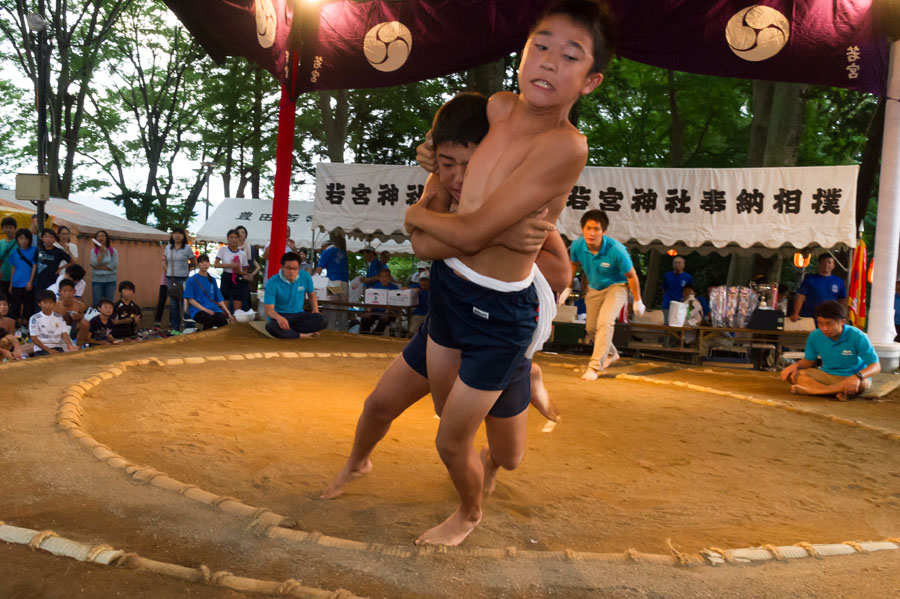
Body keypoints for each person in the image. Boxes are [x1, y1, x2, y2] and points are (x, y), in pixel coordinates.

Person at [400, 2, 613, 545]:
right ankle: (524, 376)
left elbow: (463, 233)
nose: (548, 63)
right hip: (452, 287)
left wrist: (416, 218)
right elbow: (448, 201)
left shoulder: (566, 145)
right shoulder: (494, 107)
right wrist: (431, 170)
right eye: (540, 46)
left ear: (590, 81)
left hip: (502, 309)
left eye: (570, 56)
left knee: (500, 456)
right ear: (521, 52)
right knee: (449, 422)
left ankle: (468, 513)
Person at [323, 91, 565, 507]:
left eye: (468, 166)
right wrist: (477, 234)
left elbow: (560, 272)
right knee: (380, 404)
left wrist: (476, 232)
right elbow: (420, 244)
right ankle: (357, 461)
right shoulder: (440, 183)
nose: (456, 177)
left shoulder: (519, 198)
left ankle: (525, 378)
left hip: (502, 332)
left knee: (509, 457)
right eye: (447, 164)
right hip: (450, 319)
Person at [570, 210, 644, 380]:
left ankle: (595, 367)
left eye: (596, 229)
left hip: (617, 286)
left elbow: (632, 276)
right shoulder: (577, 246)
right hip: (595, 288)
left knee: (605, 322)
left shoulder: (616, 250)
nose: (592, 233)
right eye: (588, 228)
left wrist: (638, 300)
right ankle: (612, 353)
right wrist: (568, 287)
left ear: (604, 231)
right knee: (591, 328)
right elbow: (573, 264)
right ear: (582, 229)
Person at [780, 300, 880, 401]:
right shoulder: (814, 336)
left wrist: (857, 377)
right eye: (820, 323)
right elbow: (808, 361)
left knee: (864, 384)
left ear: (842, 321)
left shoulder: (858, 336)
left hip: (851, 376)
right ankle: (833, 391)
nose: (825, 328)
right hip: (826, 375)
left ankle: (816, 391)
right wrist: (795, 366)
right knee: (791, 375)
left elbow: (876, 366)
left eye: (829, 324)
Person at [264, 251, 326, 339]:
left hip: (299, 315)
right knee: (270, 327)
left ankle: (289, 332)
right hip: (281, 315)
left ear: (299, 268)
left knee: (322, 320)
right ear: (282, 267)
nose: (292, 271)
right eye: (288, 268)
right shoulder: (272, 282)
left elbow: (311, 294)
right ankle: (301, 335)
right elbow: (269, 310)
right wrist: (279, 318)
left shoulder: (305, 276)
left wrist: (315, 311)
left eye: (295, 269)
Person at [184, 254, 235, 330]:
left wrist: (228, 313)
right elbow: (190, 300)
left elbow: (219, 299)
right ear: (198, 265)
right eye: (202, 262)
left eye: (207, 262)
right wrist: (206, 310)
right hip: (197, 310)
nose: (205, 264)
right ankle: (204, 340)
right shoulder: (191, 280)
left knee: (222, 321)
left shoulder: (212, 280)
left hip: (213, 309)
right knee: (209, 320)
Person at [790, 254, 846, 321]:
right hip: (810, 317)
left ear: (833, 265)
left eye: (829, 262)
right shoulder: (809, 279)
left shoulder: (839, 281)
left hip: (832, 318)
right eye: (823, 262)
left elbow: (842, 301)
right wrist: (796, 314)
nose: (826, 265)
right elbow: (801, 297)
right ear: (819, 264)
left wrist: (842, 316)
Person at [162, 227, 195, 332]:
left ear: (183, 236)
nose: (177, 235)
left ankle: (189, 327)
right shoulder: (168, 248)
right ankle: (175, 328)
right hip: (171, 279)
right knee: (173, 305)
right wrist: (167, 271)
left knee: (185, 303)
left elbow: (193, 262)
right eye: (175, 233)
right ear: (172, 235)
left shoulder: (187, 248)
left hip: (184, 278)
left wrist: (187, 269)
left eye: (179, 234)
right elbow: (163, 260)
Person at [315, 236, 350, 331]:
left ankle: (330, 330)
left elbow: (319, 269)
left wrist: (313, 279)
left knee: (331, 307)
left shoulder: (326, 252)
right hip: (345, 283)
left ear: (324, 246)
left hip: (334, 282)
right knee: (343, 308)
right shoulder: (342, 253)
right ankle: (343, 330)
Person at [30, 290, 77, 355]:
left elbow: (64, 334)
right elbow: (34, 338)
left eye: (50, 302)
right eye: (45, 302)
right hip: (41, 349)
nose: (48, 305)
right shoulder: (34, 318)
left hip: (58, 348)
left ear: (54, 303)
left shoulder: (59, 317)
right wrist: (49, 350)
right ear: (39, 303)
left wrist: (70, 346)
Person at [215, 229, 250, 314]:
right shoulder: (223, 250)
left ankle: (235, 323)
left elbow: (245, 271)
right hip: (226, 276)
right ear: (227, 238)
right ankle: (225, 322)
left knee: (237, 304)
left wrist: (239, 270)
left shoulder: (242, 254)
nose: (233, 239)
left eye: (235, 237)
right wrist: (230, 265)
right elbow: (216, 265)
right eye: (231, 237)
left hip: (238, 278)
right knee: (224, 303)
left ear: (238, 239)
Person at [8, 228, 37, 327]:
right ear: (17, 239)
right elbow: (13, 268)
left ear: (30, 240)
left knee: (28, 306)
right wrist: (11, 284)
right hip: (16, 282)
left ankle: (25, 327)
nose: (23, 241)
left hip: (28, 283)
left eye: (26, 238)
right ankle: (16, 328)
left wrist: (30, 281)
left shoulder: (34, 250)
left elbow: (34, 266)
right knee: (15, 306)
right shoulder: (15, 252)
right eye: (21, 238)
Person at [34, 229, 71, 305]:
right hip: (39, 280)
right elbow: (34, 264)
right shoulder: (38, 250)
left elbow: (72, 262)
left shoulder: (58, 251)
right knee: (39, 299)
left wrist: (61, 268)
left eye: (51, 237)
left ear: (54, 239)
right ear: (42, 238)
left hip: (52, 280)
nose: (48, 239)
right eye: (46, 237)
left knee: (51, 299)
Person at [360, 268, 399, 335]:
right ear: (379, 277)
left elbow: (396, 302)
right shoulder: (374, 287)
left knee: (383, 320)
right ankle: (364, 337)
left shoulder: (394, 288)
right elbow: (370, 300)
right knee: (365, 319)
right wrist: (368, 311)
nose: (384, 279)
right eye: (382, 276)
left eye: (386, 276)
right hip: (375, 310)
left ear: (389, 277)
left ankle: (375, 336)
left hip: (389, 311)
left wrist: (387, 312)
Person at [53, 279, 90, 347]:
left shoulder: (80, 305)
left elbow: (82, 322)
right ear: (60, 292)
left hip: (72, 330)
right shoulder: (54, 306)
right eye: (65, 291)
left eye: (70, 291)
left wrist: (77, 317)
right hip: (57, 332)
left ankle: (79, 347)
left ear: (74, 291)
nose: (67, 293)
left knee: (85, 323)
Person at [235, 225, 261, 311]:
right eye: (239, 232)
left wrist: (250, 275)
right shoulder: (231, 248)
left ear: (246, 235)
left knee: (244, 303)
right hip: (232, 278)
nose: (241, 234)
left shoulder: (249, 248)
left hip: (243, 280)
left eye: (243, 232)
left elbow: (257, 267)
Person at [89, 230, 118, 306]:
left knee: (109, 303)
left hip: (110, 281)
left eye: (103, 236)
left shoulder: (113, 251)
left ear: (106, 238)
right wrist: (101, 253)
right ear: (95, 239)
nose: (100, 238)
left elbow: (113, 265)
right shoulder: (93, 251)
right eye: (98, 236)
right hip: (97, 281)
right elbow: (94, 263)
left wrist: (98, 268)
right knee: (96, 303)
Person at [661, 256, 692, 323]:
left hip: (681, 305)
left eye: (679, 263)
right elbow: (663, 288)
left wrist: (686, 300)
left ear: (683, 265)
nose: (677, 265)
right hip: (667, 304)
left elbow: (690, 292)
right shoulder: (667, 275)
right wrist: (666, 298)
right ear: (673, 264)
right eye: (675, 263)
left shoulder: (687, 277)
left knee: (678, 325)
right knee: (666, 324)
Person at [0, 294, 24, 359]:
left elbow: (11, 337)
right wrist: (4, 352)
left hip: (7, 350)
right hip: (3, 351)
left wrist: (17, 348)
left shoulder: (11, 321)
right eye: (0, 305)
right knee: (4, 341)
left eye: (5, 304)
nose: (3, 307)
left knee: (32, 345)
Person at [0, 216, 17, 297]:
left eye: (10, 227)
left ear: (15, 229)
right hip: (2, 277)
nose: (8, 230)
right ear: (3, 229)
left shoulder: (20, 243)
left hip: (15, 278)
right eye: (6, 227)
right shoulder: (1, 243)